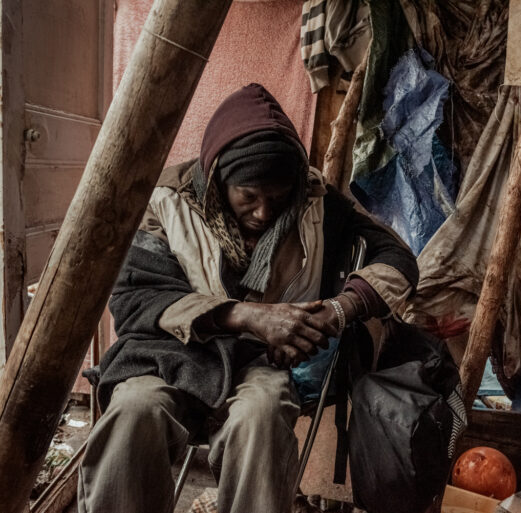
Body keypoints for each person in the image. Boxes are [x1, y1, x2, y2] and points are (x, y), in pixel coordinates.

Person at [77, 84, 418, 513]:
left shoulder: (317, 203)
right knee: (134, 410)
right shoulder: (165, 201)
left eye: (277, 198)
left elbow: (398, 260)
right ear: (219, 180)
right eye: (249, 196)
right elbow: (137, 298)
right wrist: (245, 315)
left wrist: (337, 310)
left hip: (263, 362)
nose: (263, 212)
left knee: (261, 414)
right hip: (167, 355)